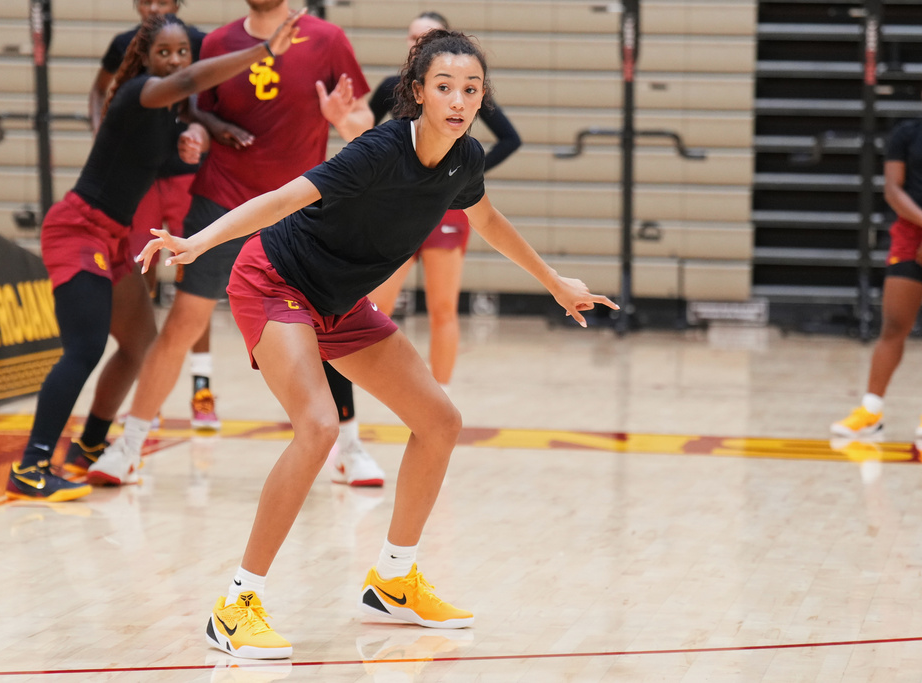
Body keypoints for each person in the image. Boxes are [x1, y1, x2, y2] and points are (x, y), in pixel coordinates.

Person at [135, 28, 618, 659]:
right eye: (444, 86)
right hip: (275, 280)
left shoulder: (464, 159)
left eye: (471, 89)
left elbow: (490, 220)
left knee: (440, 420)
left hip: (340, 302)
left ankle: (393, 580)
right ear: (417, 92)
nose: (459, 99)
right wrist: (197, 243)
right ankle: (236, 604)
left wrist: (553, 283)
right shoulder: (380, 149)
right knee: (317, 426)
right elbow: (284, 199)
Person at [5, 10, 305, 501]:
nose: (173, 61)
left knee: (140, 341)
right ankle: (32, 465)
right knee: (84, 348)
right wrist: (263, 51)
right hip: (77, 229)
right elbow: (187, 84)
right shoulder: (137, 91)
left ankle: (90, 446)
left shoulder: (172, 112)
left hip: (115, 237)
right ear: (144, 59)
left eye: (181, 52)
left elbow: (188, 118)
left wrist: (198, 135)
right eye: (162, 53)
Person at [91, 0, 384, 488]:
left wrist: (343, 121)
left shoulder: (328, 39)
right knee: (183, 324)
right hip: (221, 202)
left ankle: (348, 449)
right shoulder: (217, 43)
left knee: (330, 325)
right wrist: (197, 140)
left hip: (298, 211)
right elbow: (194, 117)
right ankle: (129, 444)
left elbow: (363, 125)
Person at [78, 0, 221, 442]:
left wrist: (201, 132)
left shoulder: (200, 42)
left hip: (185, 178)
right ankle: (148, 396)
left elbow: (205, 102)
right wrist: (104, 131)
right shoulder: (125, 44)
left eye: (164, 0)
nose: (155, 6)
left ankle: (202, 387)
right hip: (139, 182)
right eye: (148, 0)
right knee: (142, 277)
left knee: (191, 280)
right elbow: (99, 90)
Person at [369, 11, 521, 389]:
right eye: (412, 38)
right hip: (396, 210)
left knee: (442, 310)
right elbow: (361, 134)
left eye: (426, 38)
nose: (416, 44)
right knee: (373, 309)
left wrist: (466, 175)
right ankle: (357, 400)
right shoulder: (391, 87)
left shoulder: (464, 91)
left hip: (444, 211)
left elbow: (510, 138)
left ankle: (441, 399)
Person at [832, 113, 922, 440]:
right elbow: (894, 191)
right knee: (895, 324)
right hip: (911, 234)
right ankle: (871, 410)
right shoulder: (907, 133)